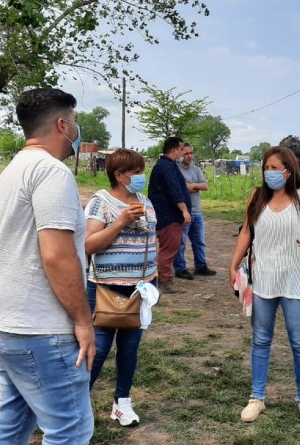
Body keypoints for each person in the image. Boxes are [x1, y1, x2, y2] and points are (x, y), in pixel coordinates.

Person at [0, 88, 95, 444]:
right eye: (74, 122)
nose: (76, 130)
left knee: (15, 422)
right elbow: (57, 255)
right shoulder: (51, 173)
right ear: (62, 125)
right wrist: (83, 320)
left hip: (2, 321)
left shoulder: (11, 172)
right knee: (70, 429)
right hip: (39, 327)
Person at [228, 146, 300, 426]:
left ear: (289, 171)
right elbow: (247, 231)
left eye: (275, 168)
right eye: (266, 168)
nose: (270, 173)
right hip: (263, 280)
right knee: (260, 340)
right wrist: (233, 265)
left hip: (298, 280)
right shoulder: (257, 197)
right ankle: (257, 398)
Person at [84, 148, 157, 427]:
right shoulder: (100, 202)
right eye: (136, 172)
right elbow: (88, 245)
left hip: (140, 288)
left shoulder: (146, 202)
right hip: (106, 288)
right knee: (98, 348)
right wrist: (121, 222)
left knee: (130, 348)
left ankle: (122, 403)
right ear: (119, 175)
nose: (141, 176)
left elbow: (152, 241)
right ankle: (78, 402)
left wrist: (153, 278)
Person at [147, 136, 192, 294]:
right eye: (181, 150)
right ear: (174, 150)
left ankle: (163, 278)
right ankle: (165, 280)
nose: (183, 153)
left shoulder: (168, 166)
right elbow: (175, 190)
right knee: (169, 249)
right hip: (168, 216)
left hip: (168, 215)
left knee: (169, 248)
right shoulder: (166, 167)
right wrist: (184, 210)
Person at [173, 143, 217, 280]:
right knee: (180, 243)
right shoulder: (176, 170)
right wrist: (194, 187)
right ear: (180, 154)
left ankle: (200, 266)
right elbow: (180, 188)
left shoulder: (196, 169)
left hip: (197, 212)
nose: (189, 156)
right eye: (186, 153)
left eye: (191, 153)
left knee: (199, 241)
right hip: (183, 212)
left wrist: (193, 186)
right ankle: (180, 268)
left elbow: (205, 185)